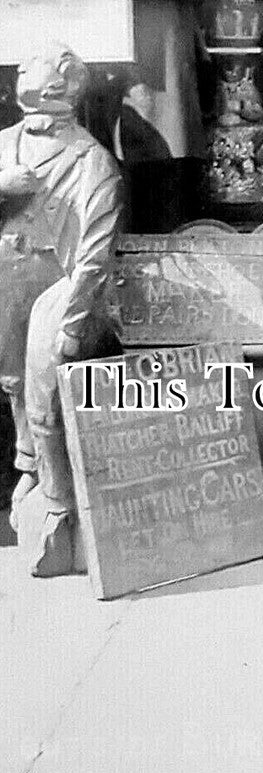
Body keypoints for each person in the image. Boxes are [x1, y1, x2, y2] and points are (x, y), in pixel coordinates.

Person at [0, 43, 123, 577]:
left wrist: (73, 322)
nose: (24, 69)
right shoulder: (4, 144)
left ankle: (58, 506)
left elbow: (95, 253)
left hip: (61, 283)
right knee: (12, 381)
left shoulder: (92, 160)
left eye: (39, 64)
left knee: (45, 389)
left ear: (64, 84)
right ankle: (26, 466)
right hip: (8, 274)